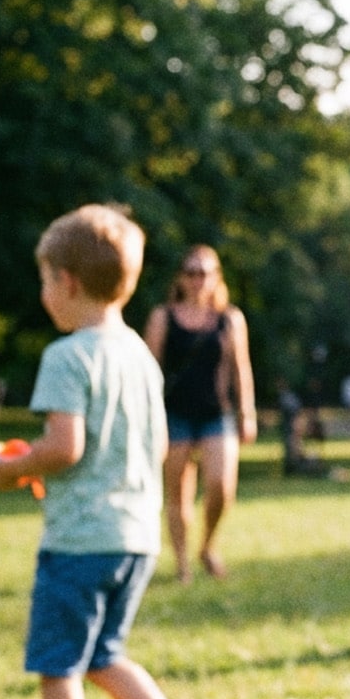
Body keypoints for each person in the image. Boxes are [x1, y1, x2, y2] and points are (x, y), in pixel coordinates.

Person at [0, 205, 215, 699]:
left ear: (68, 283)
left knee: (59, 668)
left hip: (81, 539)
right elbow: (157, 443)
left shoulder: (67, 355)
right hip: (135, 536)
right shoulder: (137, 352)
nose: (43, 291)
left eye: (45, 278)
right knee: (104, 655)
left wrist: (11, 469)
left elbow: (65, 446)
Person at [143, 244, 256, 582]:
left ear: (216, 277)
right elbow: (148, 371)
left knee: (222, 486)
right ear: (181, 278)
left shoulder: (230, 319)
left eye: (204, 272)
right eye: (191, 272)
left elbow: (241, 368)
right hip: (174, 415)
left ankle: (207, 545)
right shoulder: (163, 317)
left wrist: (246, 412)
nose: (197, 279)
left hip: (215, 414)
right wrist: (149, 418)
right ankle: (182, 565)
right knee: (178, 494)